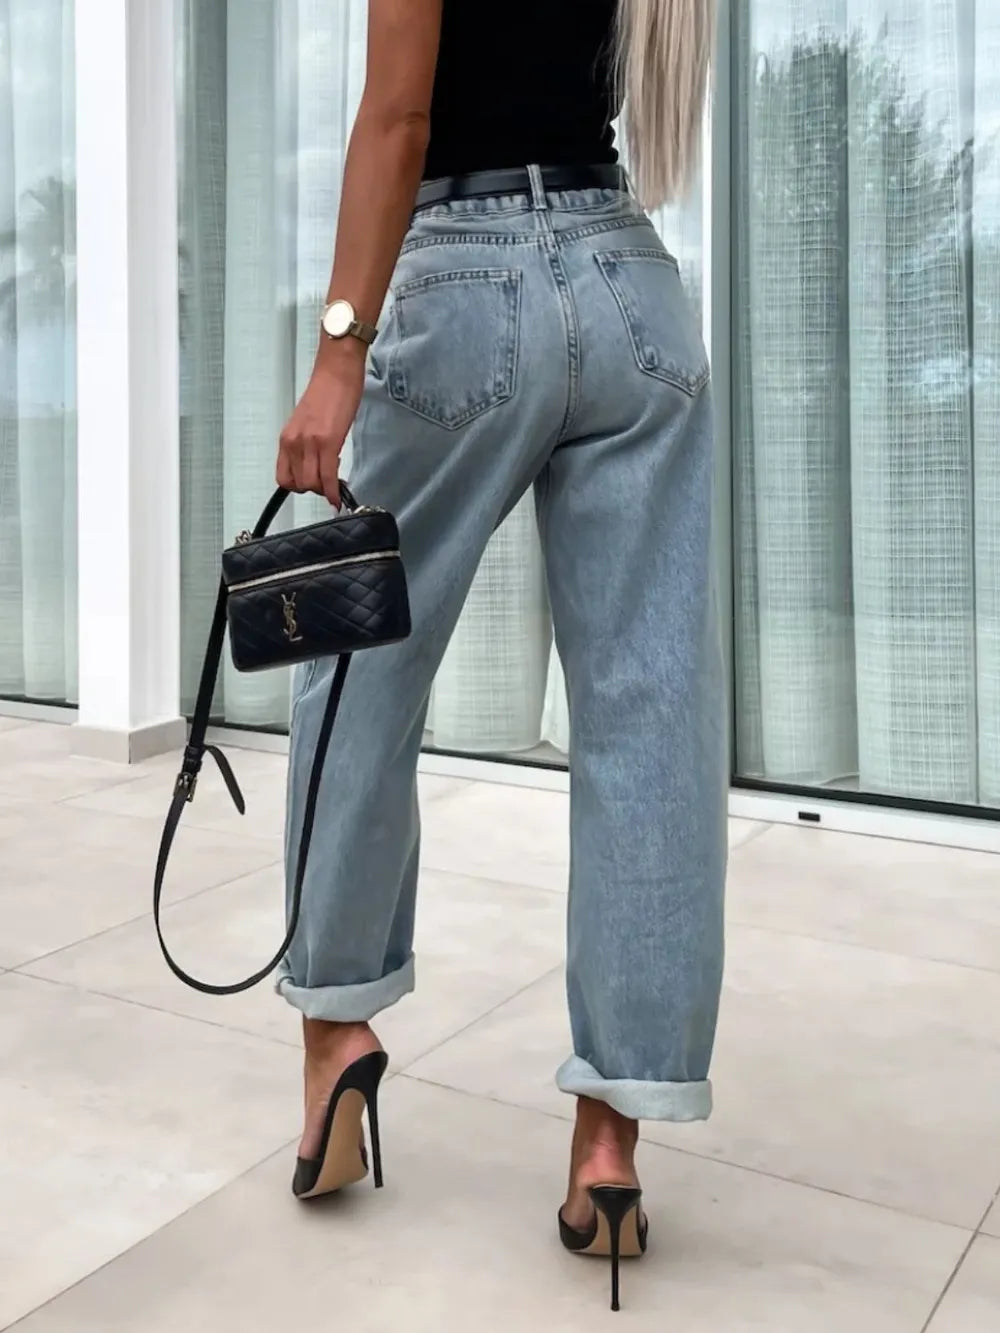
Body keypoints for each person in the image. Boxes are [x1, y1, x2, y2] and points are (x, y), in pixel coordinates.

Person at [275, 0, 723, 1311]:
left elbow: (401, 114)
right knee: (650, 720)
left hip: (468, 281)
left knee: (354, 670)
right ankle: (610, 1143)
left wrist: (338, 353)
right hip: (630, 276)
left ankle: (338, 1029)